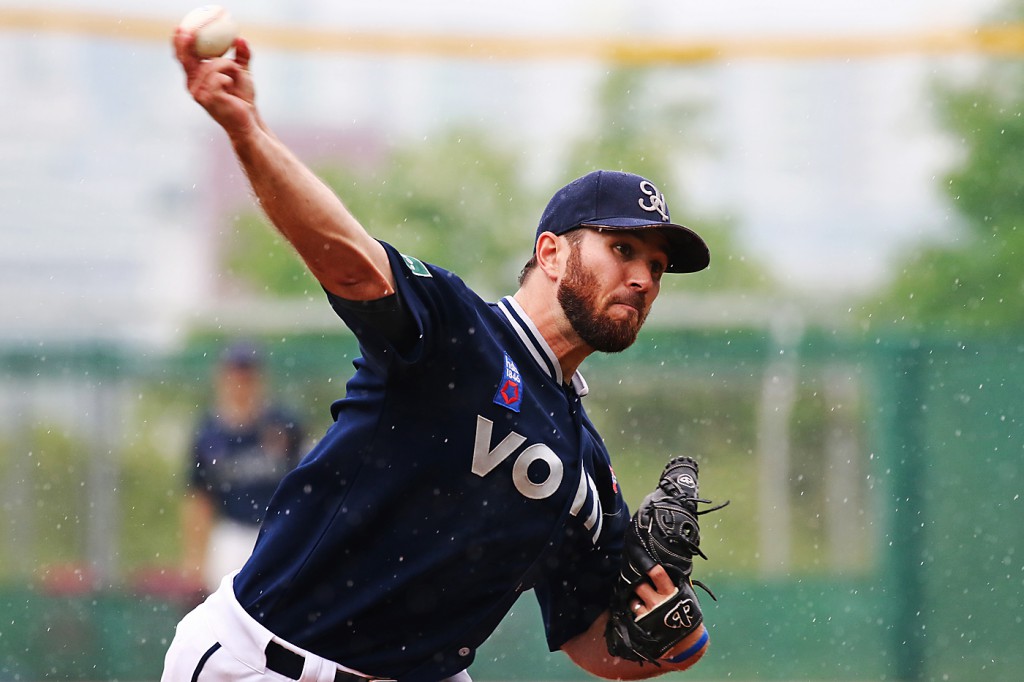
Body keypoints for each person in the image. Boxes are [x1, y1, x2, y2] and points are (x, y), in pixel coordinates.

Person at [165, 26, 714, 682]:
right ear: (551, 252)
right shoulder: (460, 333)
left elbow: (593, 641)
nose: (643, 278)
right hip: (270, 664)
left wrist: (675, 638)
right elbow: (349, 260)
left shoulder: (587, 470)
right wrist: (249, 134)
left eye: (656, 266)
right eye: (622, 249)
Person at [181, 340, 306, 593]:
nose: (241, 381)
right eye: (235, 373)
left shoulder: (284, 424)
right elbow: (199, 497)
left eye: (247, 373)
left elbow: (308, 486)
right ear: (222, 377)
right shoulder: (208, 433)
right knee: (227, 613)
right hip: (231, 533)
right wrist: (194, 557)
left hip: (277, 531)